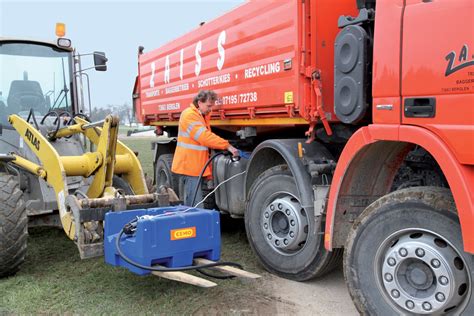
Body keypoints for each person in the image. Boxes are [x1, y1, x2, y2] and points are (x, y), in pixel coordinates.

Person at [171, 90, 238, 207]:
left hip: (196, 167)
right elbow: (204, 137)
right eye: (208, 106)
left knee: (195, 204)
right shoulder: (189, 115)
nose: (210, 109)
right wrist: (227, 145)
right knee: (195, 206)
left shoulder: (201, 116)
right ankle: (193, 224)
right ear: (199, 102)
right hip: (189, 168)